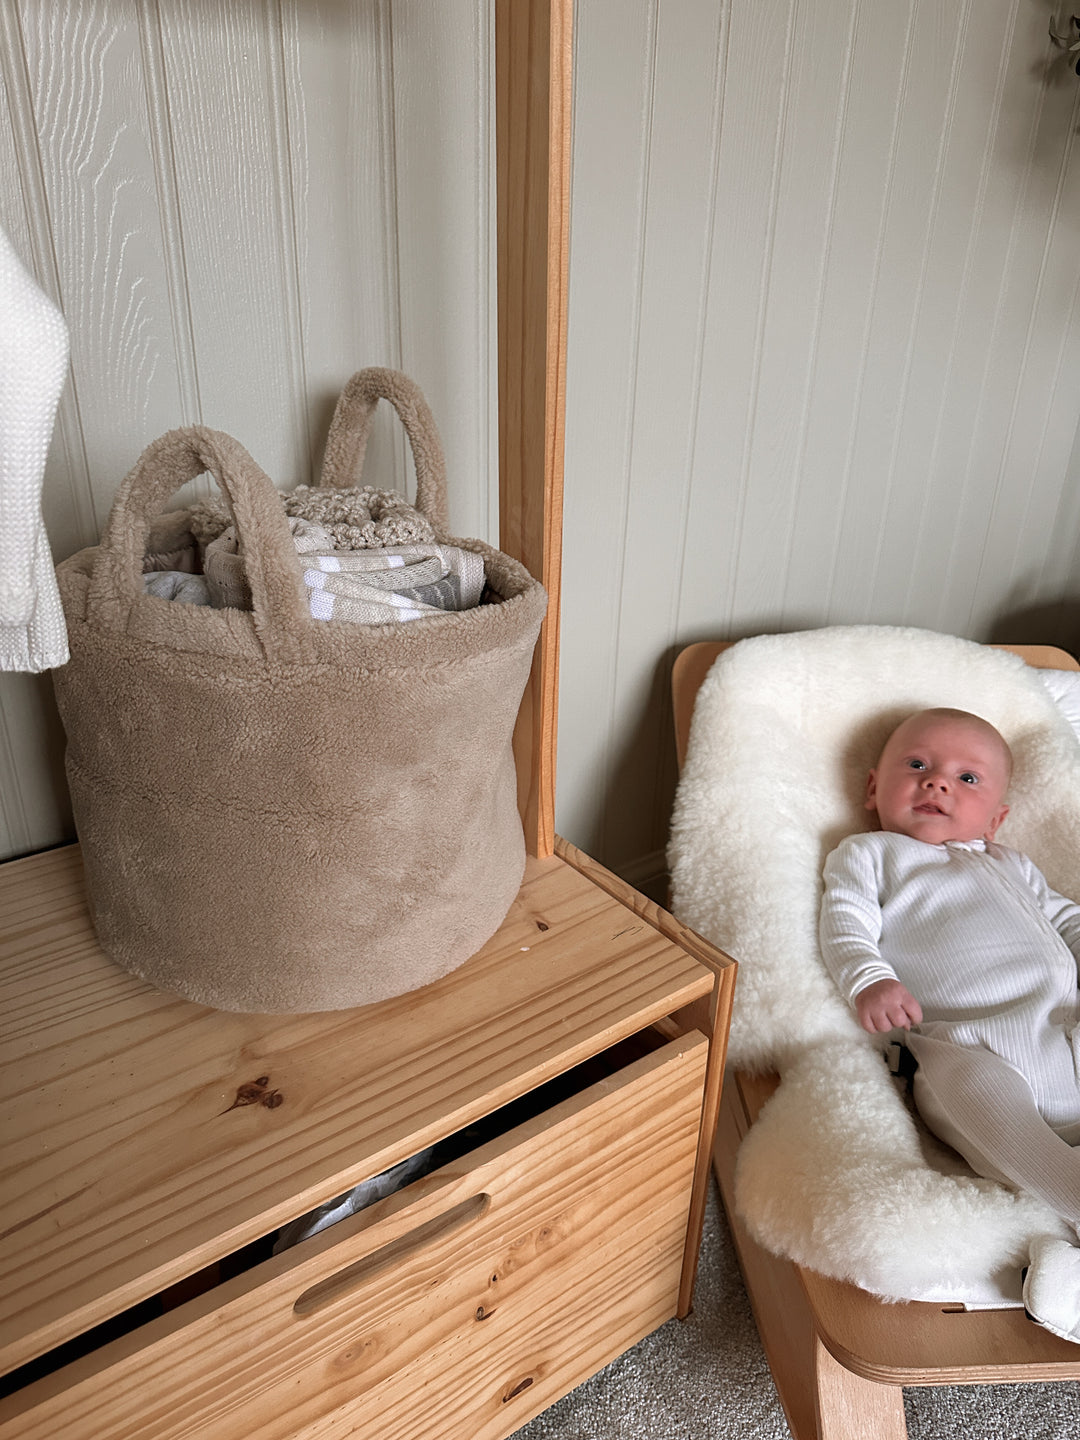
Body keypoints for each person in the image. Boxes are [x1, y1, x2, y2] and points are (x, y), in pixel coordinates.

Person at [819, 706, 1080, 1342]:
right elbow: (845, 922)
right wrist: (870, 980)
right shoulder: (872, 854)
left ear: (996, 819)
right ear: (873, 789)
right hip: (964, 1044)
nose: (938, 782)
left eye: (968, 779)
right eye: (917, 766)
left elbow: (1066, 918)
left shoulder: (1011, 865)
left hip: (1061, 1024)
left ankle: (1063, 1258)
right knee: (979, 1101)